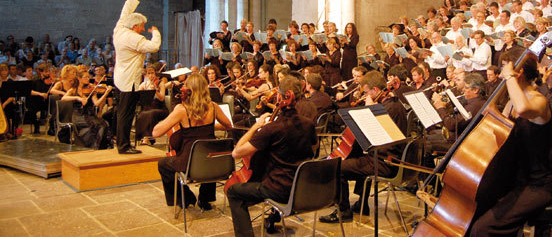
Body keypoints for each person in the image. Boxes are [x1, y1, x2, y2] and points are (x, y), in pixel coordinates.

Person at [469, 53, 552, 237]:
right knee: (471, 217)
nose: (500, 76)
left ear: (518, 72)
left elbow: (523, 109)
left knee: (482, 229)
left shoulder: (539, 101)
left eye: (504, 70)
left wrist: (509, 77)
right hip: (511, 181)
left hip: (535, 185)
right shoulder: (510, 104)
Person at [227, 75, 317, 237]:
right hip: (303, 188)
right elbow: (312, 148)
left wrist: (257, 126)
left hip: (279, 189)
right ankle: (273, 216)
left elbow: (236, 153)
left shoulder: (272, 129)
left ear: (280, 97)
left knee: (233, 191)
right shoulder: (308, 124)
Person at [320, 70, 408, 223]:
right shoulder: (393, 104)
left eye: (367, 92)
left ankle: (344, 212)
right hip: (387, 158)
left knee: (337, 167)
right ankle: (362, 203)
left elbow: (375, 138)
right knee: (359, 156)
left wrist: (369, 112)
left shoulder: (385, 109)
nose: (365, 95)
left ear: (375, 90)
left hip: (385, 162)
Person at [153, 73, 232, 210]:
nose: (183, 87)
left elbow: (156, 133)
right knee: (208, 149)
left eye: (185, 85)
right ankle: (205, 199)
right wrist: (209, 125)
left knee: (163, 164)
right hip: (213, 163)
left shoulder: (181, 110)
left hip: (190, 163)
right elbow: (228, 125)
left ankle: (186, 198)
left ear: (189, 89)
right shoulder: (213, 106)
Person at [113, 0, 161, 154]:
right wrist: (155, 32)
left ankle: (122, 144)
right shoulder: (133, 38)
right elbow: (154, 46)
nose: (143, 29)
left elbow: (124, 13)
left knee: (122, 113)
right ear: (134, 27)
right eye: (141, 27)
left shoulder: (119, 29)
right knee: (126, 115)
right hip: (129, 81)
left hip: (120, 78)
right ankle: (124, 146)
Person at [61, 70, 115, 149]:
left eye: (88, 77)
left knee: (103, 124)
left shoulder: (91, 89)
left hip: (90, 114)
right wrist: (78, 98)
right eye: (85, 77)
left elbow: (96, 103)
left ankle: (98, 146)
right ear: (79, 78)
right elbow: (64, 98)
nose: (88, 79)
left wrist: (106, 93)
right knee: (92, 125)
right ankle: (89, 146)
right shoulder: (73, 89)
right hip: (78, 115)